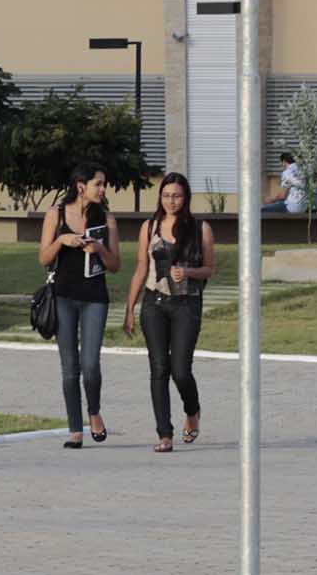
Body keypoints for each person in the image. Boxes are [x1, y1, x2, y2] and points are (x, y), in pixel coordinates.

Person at [123, 171, 213, 453]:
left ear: (185, 198)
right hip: (154, 304)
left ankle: (192, 410)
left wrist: (186, 271)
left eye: (176, 195)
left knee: (180, 370)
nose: (171, 201)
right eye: (166, 195)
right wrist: (129, 308)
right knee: (158, 368)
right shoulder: (149, 227)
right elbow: (141, 269)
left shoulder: (201, 229)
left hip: (187, 304)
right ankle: (164, 434)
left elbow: (210, 268)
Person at [38, 163, 119, 448]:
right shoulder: (55, 214)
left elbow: (115, 265)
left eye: (104, 184)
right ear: (81, 185)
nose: (103, 189)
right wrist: (62, 239)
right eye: (99, 183)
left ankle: (94, 411)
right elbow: (44, 259)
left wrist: (99, 248)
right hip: (63, 296)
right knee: (69, 366)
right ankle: (75, 429)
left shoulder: (106, 218)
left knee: (90, 364)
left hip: (95, 297)